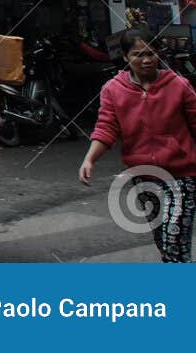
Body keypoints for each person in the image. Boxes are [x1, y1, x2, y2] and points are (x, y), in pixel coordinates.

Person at [80, 25, 196, 262]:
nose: (146, 60)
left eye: (151, 53)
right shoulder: (112, 90)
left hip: (182, 174)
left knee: (175, 239)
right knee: (163, 240)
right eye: (138, 55)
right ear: (125, 58)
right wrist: (90, 159)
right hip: (144, 175)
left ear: (159, 54)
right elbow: (106, 127)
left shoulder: (179, 85)